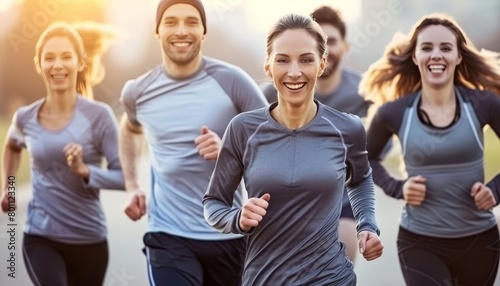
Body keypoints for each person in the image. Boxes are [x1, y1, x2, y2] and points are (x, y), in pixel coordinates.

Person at [203, 13, 383, 286]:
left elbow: (360, 179)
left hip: (332, 278)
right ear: (268, 66)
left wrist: (367, 224)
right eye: (283, 60)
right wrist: (237, 218)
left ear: (321, 64)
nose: (295, 72)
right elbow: (213, 203)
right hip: (264, 279)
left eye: (306, 60)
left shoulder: (348, 128)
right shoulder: (243, 129)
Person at [118, 0, 268, 285]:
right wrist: (132, 186)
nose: (181, 30)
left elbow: (273, 142)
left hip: (229, 233)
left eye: (191, 22)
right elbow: (129, 128)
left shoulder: (233, 81)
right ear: (158, 31)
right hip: (168, 236)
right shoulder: (138, 92)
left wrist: (228, 150)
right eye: (171, 22)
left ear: (203, 31)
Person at [360, 13, 500, 286]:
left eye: (446, 48)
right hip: (419, 242)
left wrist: (495, 190)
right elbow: (363, 160)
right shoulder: (395, 112)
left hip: (479, 242)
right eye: (427, 48)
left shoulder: (484, 104)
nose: (436, 55)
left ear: (459, 56)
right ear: (414, 56)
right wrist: (398, 187)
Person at [0, 21, 124, 286]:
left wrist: (85, 171)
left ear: (80, 63)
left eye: (66, 57)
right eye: (49, 58)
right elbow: (11, 146)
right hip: (40, 238)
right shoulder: (25, 118)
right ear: (38, 65)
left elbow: (124, 177)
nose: (57, 65)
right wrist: (8, 188)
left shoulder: (99, 116)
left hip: (90, 240)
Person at [262, 5, 374, 263]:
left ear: (344, 46)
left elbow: (393, 127)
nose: (326, 47)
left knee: (339, 264)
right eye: (319, 41)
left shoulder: (363, 92)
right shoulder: (271, 94)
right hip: (286, 202)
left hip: (339, 200)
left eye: (331, 41)